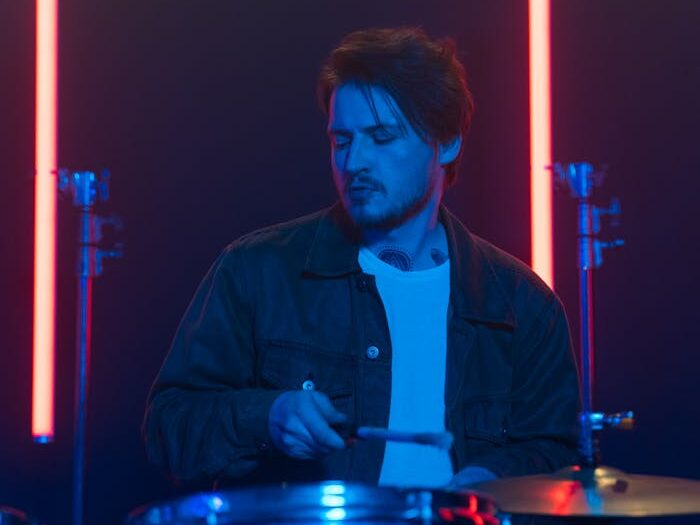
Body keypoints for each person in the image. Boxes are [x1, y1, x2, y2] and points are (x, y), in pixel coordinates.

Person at [143, 27, 580, 489]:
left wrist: (490, 478)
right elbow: (167, 427)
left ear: (447, 142)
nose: (354, 163)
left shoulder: (522, 305)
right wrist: (266, 417)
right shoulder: (257, 271)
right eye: (342, 141)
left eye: (381, 137)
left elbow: (557, 453)